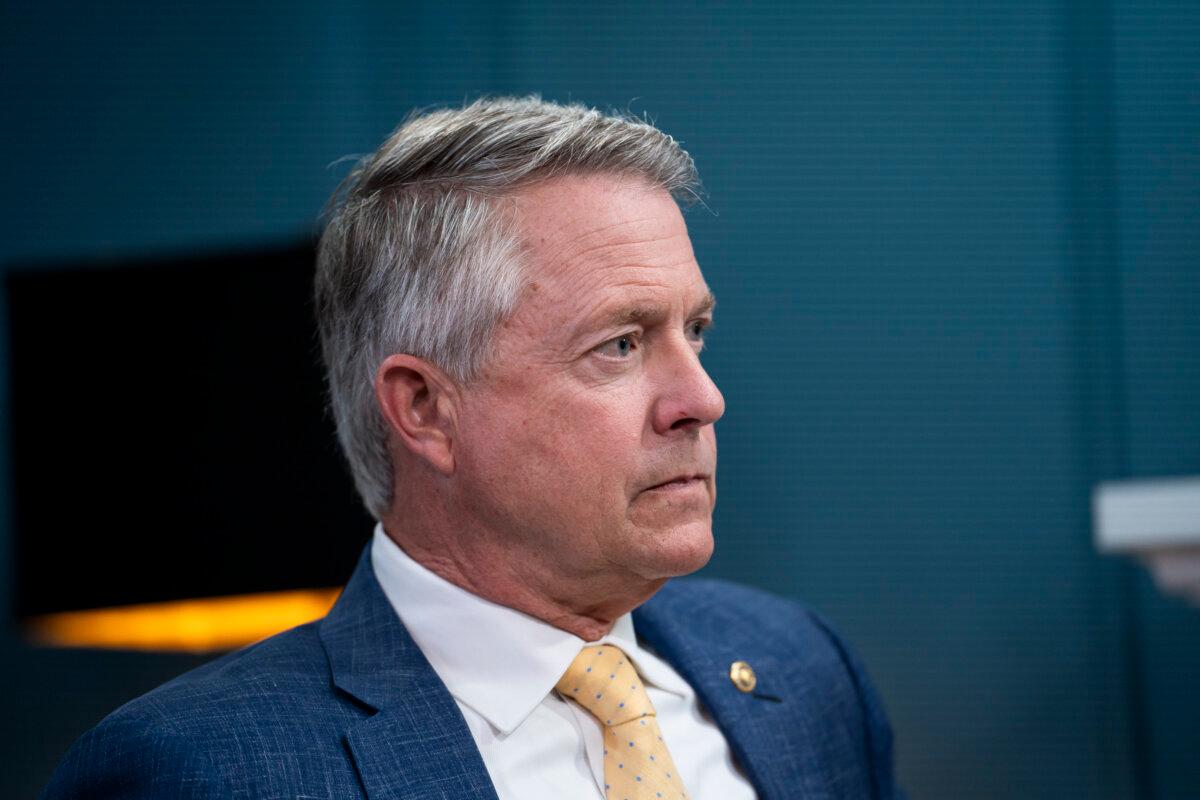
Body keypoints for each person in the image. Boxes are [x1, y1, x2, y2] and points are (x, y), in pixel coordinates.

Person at [42, 97, 904, 799]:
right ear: (424, 409)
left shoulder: (804, 672)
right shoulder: (203, 771)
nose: (702, 400)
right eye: (621, 345)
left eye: (697, 330)